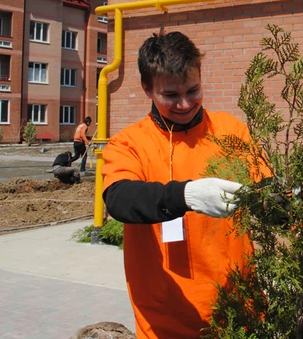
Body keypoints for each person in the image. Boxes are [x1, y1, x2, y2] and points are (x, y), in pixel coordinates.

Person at [101, 31, 261, 339]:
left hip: (238, 307)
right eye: (171, 95)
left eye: (193, 90)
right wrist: (185, 195)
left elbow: (264, 189)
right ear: (147, 88)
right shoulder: (129, 144)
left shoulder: (231, 131)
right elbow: (120, 198)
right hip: (164, 317)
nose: (185, 104)